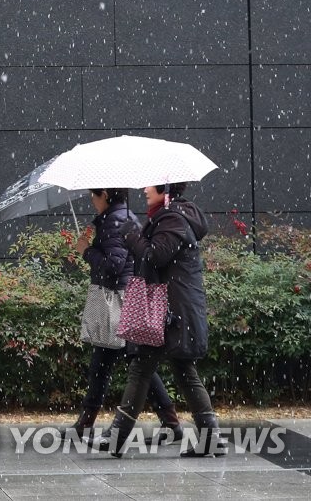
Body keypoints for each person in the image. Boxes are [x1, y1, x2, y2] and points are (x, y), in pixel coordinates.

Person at [95, 182, 226, 458]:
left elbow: (156, 255)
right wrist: (136, 239)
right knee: (176, 370)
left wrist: (132, 237)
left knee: (147, 368)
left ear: (165, 189)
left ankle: (119, 439)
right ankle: (210, 438)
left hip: (171, 311)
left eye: (150, 185)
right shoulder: (167, 216)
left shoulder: (173, 219)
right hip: (169, 308)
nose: (144, 189)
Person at [62, 188, 182, 443]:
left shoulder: (114, 221)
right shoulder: (117, 218)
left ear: (104, 194)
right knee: (121, 365)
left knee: (123, 366)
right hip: (119, 298)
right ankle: (169, 422)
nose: (92, 202)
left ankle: (87, 423)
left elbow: (114, 265)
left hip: (116, 300)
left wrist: (86, 250)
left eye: (94, 196)